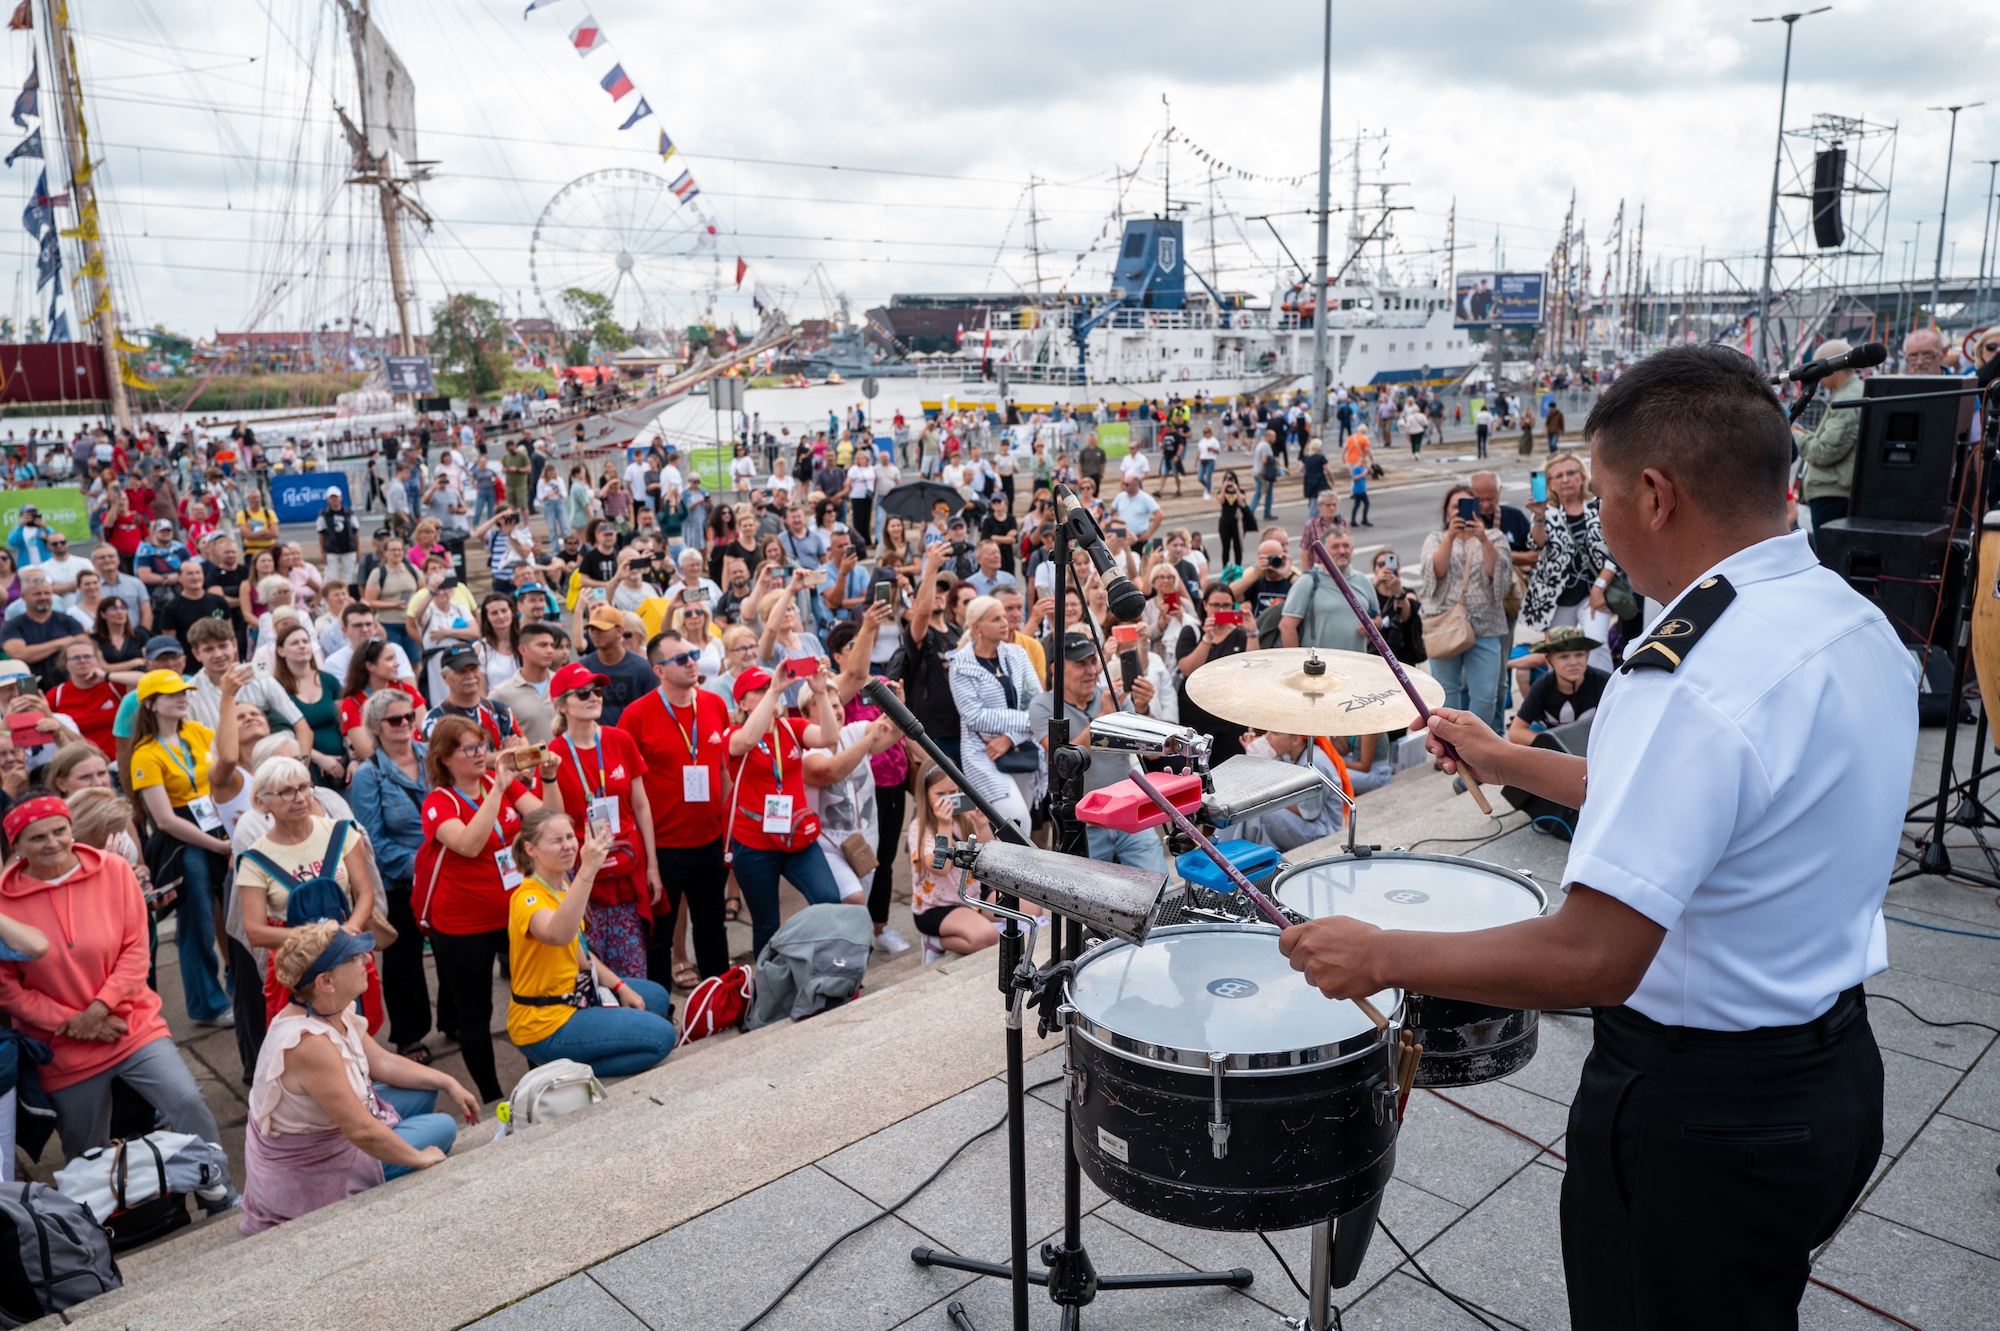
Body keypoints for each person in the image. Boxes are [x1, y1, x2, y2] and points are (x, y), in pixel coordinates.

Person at [1281, 345, 1915, 1330]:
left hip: (1699, 1114)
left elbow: (1593, 954)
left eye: (1606, 495)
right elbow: (1698, 804)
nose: (1601, 523)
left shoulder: (1688, 672)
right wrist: (1506, 759)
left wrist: (1379, 954)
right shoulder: (1846, 618)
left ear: (1654, 494)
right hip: (1826, 1074)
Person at [0, 796, 234, 1215]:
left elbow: (135, 949)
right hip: (63, 1045)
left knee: (185, 1099)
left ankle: (217, 1186)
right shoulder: (4, 903)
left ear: (72, 828)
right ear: (17, 845)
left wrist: (99, 1009)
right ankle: (93, 1230)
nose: (53, 842)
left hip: (130, 1024)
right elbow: (8, 990)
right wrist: (73, 1022)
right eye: (37, 837)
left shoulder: (113, 870)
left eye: (59, 830)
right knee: (84, 1146)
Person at [240, 922, 479, 1234]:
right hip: (315, 1169)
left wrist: (447, 1081)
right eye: (353, 959)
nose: (366, 961)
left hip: (337, 1135)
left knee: (426, 1092)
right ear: (325, 981)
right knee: (443, 1128)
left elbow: (382, 1062)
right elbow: (360, 1130)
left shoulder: (326, 1008)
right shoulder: (310, 1044)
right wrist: (418, 1159)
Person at [413, 716, 558, 1103]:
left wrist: (548, 779)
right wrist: (498, 790)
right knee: (475, 1014)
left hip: (512, 912)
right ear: (444, 758)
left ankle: (540, 1080)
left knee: (533, 997)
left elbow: (548, 820)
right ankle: (493, 1097)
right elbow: (469, 844)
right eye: (470, 748)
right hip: (463, 924)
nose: (480, 754)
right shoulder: (438, 802)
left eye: (482, 745)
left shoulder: (498, 784)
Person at [506, 810, 677, 1077]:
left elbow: (582, 956)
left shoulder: (560, 887)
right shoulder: (526, 897)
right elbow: (558, 935)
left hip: (576, 995)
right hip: (546, 1022)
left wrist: (620, 987)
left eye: (570, 836)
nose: (568, 845)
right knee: (662, 1038)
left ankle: (592, 1046)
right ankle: (567, 1073)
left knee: (656, 998)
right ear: (531, 849)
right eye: (556, 840)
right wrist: (587, 870)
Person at [617, 630, 733, 985]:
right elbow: (627, 789)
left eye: (693, 654)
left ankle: (720, 1000)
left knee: (712, 928)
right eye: (681, 659)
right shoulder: (636, 716)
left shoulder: (713, 704)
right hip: (664, 847)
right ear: (659, 670)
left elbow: (725, 769)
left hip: (710, 840)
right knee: (658, 938)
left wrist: (728, 828)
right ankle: (658, 1015)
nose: (692, 662)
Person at [129, 669, 240, 1028]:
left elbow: (227, 757)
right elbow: (164, 820)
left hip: (213, 827)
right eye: (171, 694)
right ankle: (206, 1004)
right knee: (198, 923)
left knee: (234, 914)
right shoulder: (144, 754)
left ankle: (238, 988)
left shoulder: (194, 731)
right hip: (184, 841)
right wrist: (220, 847)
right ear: (150, 704)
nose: (182, 698)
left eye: (184, 692)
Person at [235, 757, 382, 1028]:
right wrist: (319, 939)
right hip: (296, 967)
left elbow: (364, 894)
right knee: (306, 1041)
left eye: (305, 787)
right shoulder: (254, 859)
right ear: (262, 802)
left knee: (358, 1031)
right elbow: (255, 931)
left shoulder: (340, 833)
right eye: (287, 792)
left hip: (344, 953)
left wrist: (350, 928)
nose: (300, 797)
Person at [547, 662, 662, 981]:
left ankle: (640, 1019)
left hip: (627, 865)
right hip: (583, 873)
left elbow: (641, 806)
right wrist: (566, 888)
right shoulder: (554, 754)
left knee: (634, 961)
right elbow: (553, 822)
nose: (593, 697)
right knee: (591, 969)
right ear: (561, 705)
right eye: (582, 693)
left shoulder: (620, 739)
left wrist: (652, 865)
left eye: (597, 691)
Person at [724, 664, 845, 958]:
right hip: (754, 845)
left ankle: (827, 967)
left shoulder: (790, 727)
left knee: (828, 898)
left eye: (772, 687)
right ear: (742, 703)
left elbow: (830, 738)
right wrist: (776, 688)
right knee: (766, 924)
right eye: (761, 690)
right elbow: (748, 741)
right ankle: (771, 989)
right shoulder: (733, 734)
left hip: (796, 839)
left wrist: (819, 694)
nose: (771, 692)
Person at [348, 690, 438, 1061]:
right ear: (375, 728)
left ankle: (457, 1018)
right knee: (403, 960)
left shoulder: (433, 758)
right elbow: (373, 840)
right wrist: (422, 867)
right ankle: (409, 1033)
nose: (404, 725)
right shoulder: (369, 776)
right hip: (403, 879)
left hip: (445, 871)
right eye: (394, 720)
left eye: (409, 718)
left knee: (453, 952)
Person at [1029, 630, 1168, 870]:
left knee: (1160, 887)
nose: (1092, 671)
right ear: (1056, 670)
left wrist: (1143, 709)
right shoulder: (1043, 705)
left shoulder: (1114, 697)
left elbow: (1153, 754)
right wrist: (1103, 717)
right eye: (1081, 664)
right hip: (1083, 822)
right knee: (1087, 899)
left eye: (1094, 661)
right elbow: (1063, 761)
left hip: (1128, 812)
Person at [1419, 484, 1513, 736]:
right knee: (1446, 691)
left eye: (1466, 505)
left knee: (1485, 695)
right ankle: (1451, 748)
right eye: (1455, 506)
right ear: (1447, 512)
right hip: (1444, 624)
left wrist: (1482, 538)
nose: (1460, 511)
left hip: (1486, 626)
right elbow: (1434, 575)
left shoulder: (1494, 537)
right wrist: (1450, 537)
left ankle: (1475, 745)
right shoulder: (1435, 538)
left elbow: (1501, 577)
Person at [949, 595, 1042, 836]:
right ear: (977, 627)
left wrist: (1011, 737)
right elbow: (974, 716)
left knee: (1019, 825)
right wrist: (1028, 722)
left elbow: (1036, 702)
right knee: (1017, 822)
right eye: (996, 618)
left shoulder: (1017, 654)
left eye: (1004, 617)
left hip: (1021, 747)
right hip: (983, 754)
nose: (1005, 622)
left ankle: (1003, 873)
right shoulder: (960, 665)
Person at [1520, 453, 1617, 669]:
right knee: (1558, 651)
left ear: (1583, 477)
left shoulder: (1599, 507)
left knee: (1596, 644)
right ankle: (1561, 699)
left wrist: (1599, 587)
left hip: (1593, 595)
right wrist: (1538, 516)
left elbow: (1615, 552)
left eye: (1571, 473)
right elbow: (1537, 544)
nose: (1565, 479)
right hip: (1555, 599)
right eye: (1558, 476)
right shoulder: (1547, 512)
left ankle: (1604, 696)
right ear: (1550, 484)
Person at [905, 765, 1004, 956]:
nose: (948, 800)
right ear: (925, 794)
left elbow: (991, 859)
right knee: (987, 937)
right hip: (938, 906)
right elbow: (941, 867)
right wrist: (944, 825)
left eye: (953, 792)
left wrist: (983, 824)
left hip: (973, 896)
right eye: (941, 794)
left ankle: (974, 923)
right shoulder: (919, 827)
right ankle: (935, 941)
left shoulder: (965, 818)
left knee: (1031, 909)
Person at [1279, 505, 1378, 653]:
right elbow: (1287, 626)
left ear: (1352, 549)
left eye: (1346, 546)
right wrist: (1298, 663)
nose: (1342, 551)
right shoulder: (1307, 582)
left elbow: (1378, 618)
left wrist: (1372, 625)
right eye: (1335, 547)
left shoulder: (1363, 581)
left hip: (1357, 666)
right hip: (1321, 670)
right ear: (1323, 552)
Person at [1794, 337, 1865, 535]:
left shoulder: (1848, 399)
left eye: (1817, 367)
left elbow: (1824, 452)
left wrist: (1796, 437)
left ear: (1833, 365)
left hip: (1832, 494)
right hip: (1834, 491)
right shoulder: (1852, 393)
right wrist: (1808, 435)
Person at [267, 618, 347, 786]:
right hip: (305, 768)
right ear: (281, 651)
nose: (302, 646)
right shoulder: (276, 689)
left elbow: (344, 723)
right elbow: (282, 735)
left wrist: (353, 757)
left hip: (342, 765)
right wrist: (320, 759)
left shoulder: (328, 680)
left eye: (305, 641)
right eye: (295, 643)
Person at [1237, 729, 1346, 851]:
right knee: (1248, 804)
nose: (1266, 737)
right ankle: (1232, 852)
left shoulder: (1314, 762)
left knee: (1258, 812)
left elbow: (1308, 812)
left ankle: (1235, 855)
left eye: (1275, 733)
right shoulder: (1289, 755)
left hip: (1323, 830)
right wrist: (1257, 754)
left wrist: (1266, 788)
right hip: (1306, 824)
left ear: (1296, 739)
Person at [1508, 627, 1610, 744]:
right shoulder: (1542, 687)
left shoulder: (1604, 682)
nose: (1573, 662)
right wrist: (1552, 745)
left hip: (1591, 737)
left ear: (1587, 656)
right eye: (1563, 657)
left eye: (1579, 655)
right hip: (1550, 734)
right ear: (1548, 661)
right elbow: (1516, 731)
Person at [48, 639, 123, 761]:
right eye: (75, 658)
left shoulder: (113, 685)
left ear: (97, 660)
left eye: (87, 656)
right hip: (79, 763)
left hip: (118, 761)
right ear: (65, 663)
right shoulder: (57, 694)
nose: (82, 661)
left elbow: (144, 681)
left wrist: (106, 676)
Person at [362, 536, 422, 669]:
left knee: (415, 661)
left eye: (399, 550)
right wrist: (393, 605)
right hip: (388, 624)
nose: (397, 553)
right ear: (385, 552)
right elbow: (370, 601)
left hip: (410, 623)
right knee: (393, 662)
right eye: (393, 550)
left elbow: (423, 592)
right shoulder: (379, 573)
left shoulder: (412, 570)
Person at [1215, 472, 1251, 569]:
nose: (1229, 481)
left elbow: (1241, 502)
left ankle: (1238, 568)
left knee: (1237, 548)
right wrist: (1224, 488)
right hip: (1225, 523)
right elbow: (1221, 501)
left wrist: (1236, 490)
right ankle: (1225, 569)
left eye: (1231, 479)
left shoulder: (1241, 491)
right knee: (1225, 548)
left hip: (1237, 523)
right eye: (1227, 479)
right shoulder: (1221, 492)